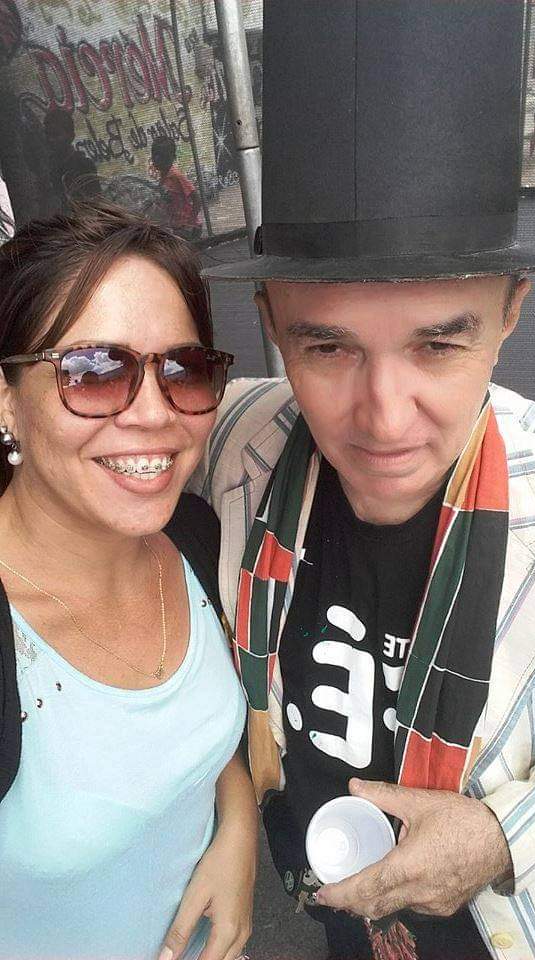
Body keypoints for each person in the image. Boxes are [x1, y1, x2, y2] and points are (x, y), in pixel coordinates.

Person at [191, 3, 535, 959]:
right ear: (270, 319)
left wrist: (503, 836)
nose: (384, 420)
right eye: (327, 347)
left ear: (511, 310)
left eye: (439, 344)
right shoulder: (240, 441)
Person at [0, 199, 257, 960]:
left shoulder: (195, 535)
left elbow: (192, 734)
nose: (153, 414)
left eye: (184, 369)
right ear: (6, 398)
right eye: (92, 372)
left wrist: (237, 821)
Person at [44, 106, 101, 213]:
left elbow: (95, 203)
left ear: (71, 136)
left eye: (56, 135)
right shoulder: (47, 167)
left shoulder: (83, 165)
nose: (50, 140)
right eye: (48, 135)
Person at [150, 136, 203, 242]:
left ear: (172, 157)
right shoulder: (162, 176)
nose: (156, 160)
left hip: (186, 228)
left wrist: (190, 222)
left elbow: (196, 198)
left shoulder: (176, 176)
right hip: (175, 225)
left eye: (161, 157)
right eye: (154, 155)